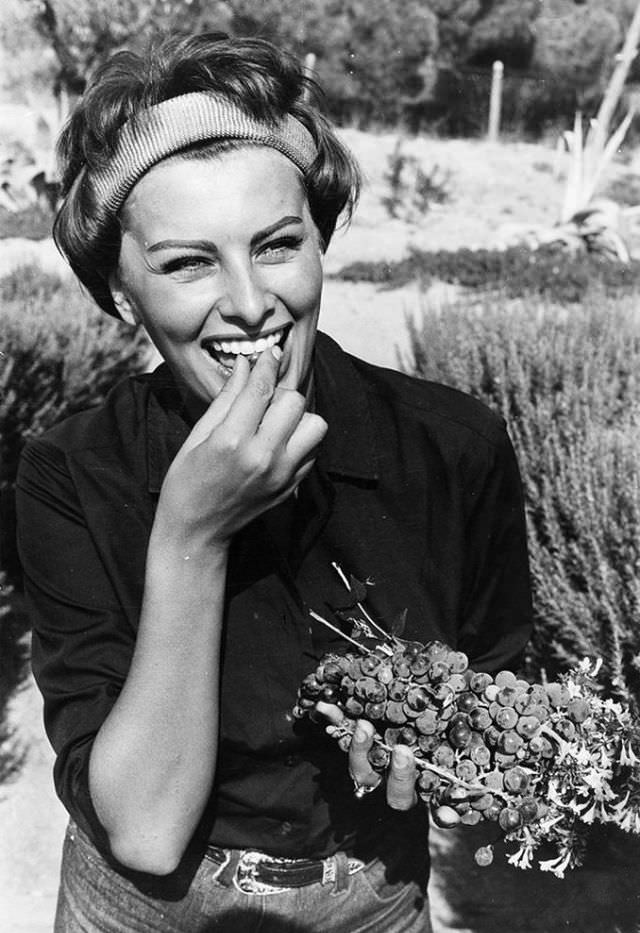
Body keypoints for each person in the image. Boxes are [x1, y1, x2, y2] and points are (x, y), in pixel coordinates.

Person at [16, 32, 533, 933]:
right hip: (140, 908)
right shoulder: (72, 472)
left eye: (278, 244)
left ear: (321, 239)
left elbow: (496, 677)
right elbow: (142, 829)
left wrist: (455, 752)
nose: (252, 303)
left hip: (370, 899)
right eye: (186, 262)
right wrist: (192, 533)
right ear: (121, 293)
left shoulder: (455, 445)